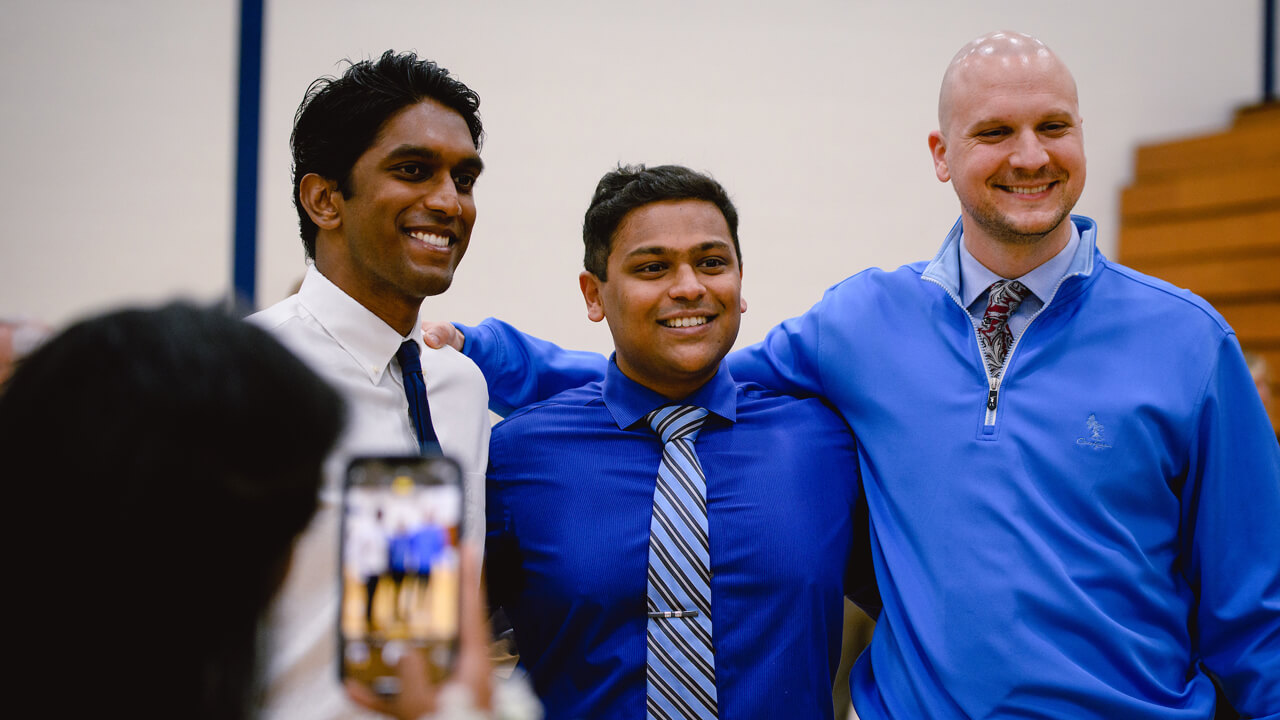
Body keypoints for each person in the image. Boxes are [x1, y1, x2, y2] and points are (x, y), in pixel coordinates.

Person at [428, 32, 1280, 719]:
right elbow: (675, 375)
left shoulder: (1188, 342)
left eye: (1053, 126)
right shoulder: (863, 322)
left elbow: (1257, 608)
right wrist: (491, 354)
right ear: (943, 154)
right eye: (994, 132)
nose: (1029, 156)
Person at [482, 164, 872, 719]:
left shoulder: (824, 445)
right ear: (594, 295)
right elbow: (441, 651)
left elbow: (915, 610)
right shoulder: (513, 457)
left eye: (712, 263)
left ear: (740, 285)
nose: (689, 287)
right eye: (653, 267)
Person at [249, 51, 493, 719]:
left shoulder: (460, 388)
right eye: (413, 171)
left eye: (463, 178)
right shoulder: (245, 376)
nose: (448, 202)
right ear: (324, 199)